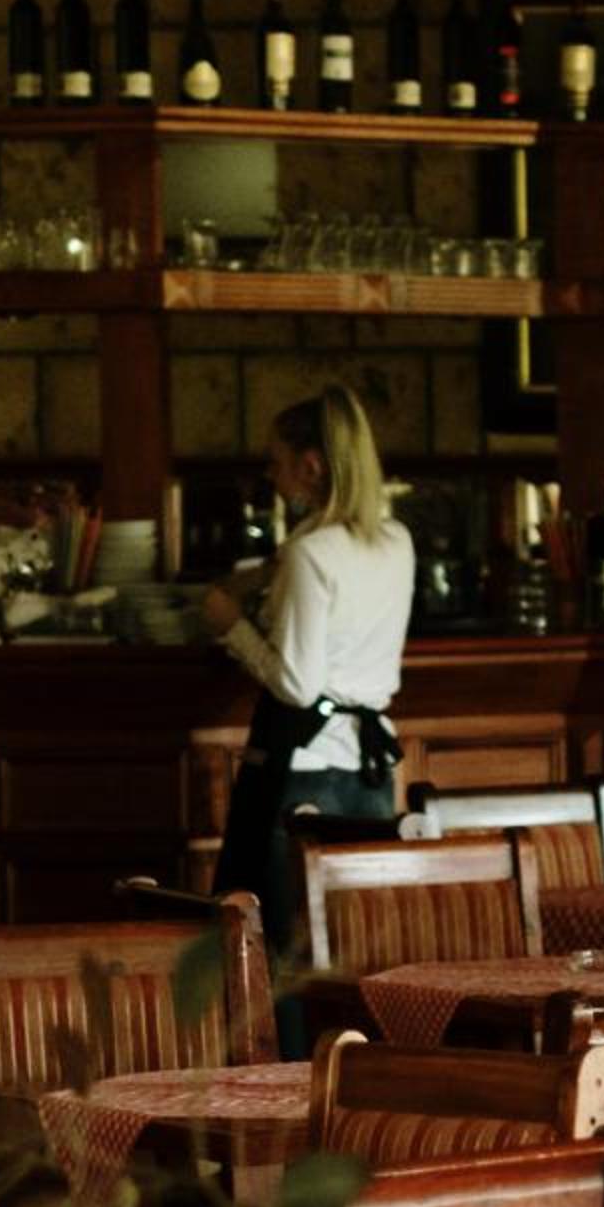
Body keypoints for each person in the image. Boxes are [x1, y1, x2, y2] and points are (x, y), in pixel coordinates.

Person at [202, 385, 416, 954]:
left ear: (312, 466)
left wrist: (231, 625)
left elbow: (298, 685)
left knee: (283, 948)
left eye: (276, 461)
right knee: (356, 944)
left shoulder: (311, 553)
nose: (270, 474)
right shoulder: (396, 541)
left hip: (306, 767)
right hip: (370, 770)